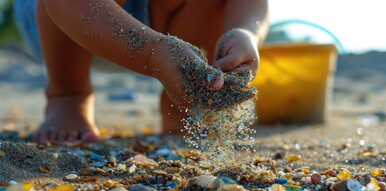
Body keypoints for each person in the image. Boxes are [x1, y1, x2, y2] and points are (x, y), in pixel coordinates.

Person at [14, 0, 269, 143]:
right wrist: (153, 52)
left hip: (161, 20)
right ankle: (68, 94)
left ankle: (184, 101)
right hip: (59, 20)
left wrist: (246, 31)